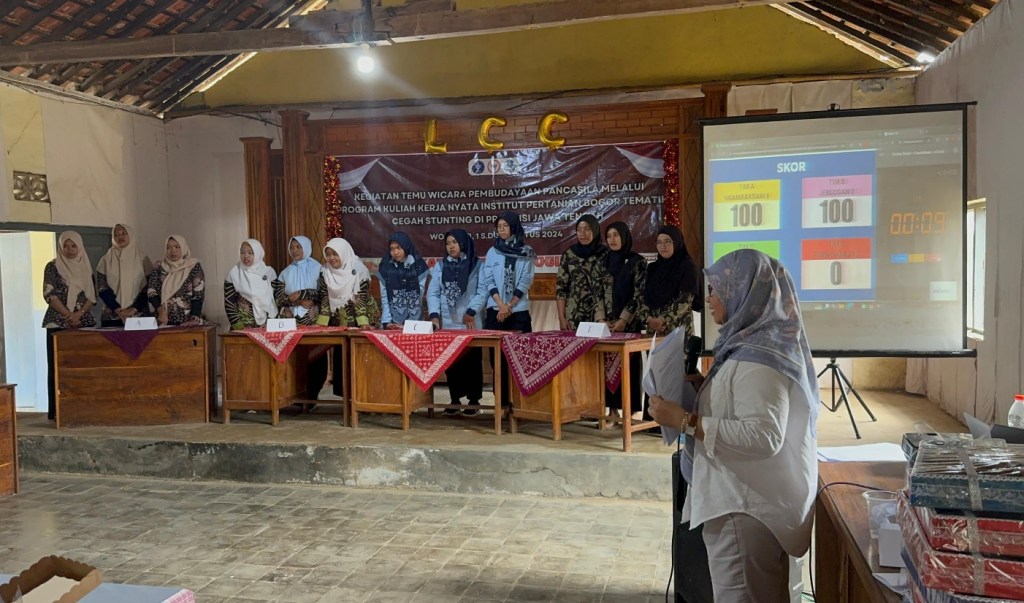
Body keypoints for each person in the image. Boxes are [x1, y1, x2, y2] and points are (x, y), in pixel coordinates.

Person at [649, 249, 818, 603]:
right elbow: (742, 407)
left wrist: (684, 421)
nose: (709, 299)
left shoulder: (759, 360)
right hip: (746, 504)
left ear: (743, 292)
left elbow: (763, 436)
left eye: (716, 290)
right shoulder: (750, 344)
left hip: (745, 509)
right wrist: (702, 392)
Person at [426, 229, 487, 416]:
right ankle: (454, 400)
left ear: (463, 243)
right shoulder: (440, 266)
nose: (451, 246)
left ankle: (474, 401)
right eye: (447, 243)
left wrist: (471, 311)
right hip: (449, 322)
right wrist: (434, 316)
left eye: (454, 242)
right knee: (452, 363)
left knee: (472, 362)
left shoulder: (477, 265)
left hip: (470, 322)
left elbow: (482, 291)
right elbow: (433, 293)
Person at [481, 211, 535, 406]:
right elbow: (488, 279)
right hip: (496, 311)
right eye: (499, 226)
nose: (502, 229)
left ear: (514, 227)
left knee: (521, 358)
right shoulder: (492, 252)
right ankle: (502, 404)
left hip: (518, 311)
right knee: (498, 360)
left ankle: (521, 404)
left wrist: (509, 305)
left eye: (505, 226)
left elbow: (526, 280)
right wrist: (500, 305)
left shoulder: (526, 252)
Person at [314, 238, 380, 397]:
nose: (331, 258)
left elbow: (360, 299)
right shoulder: (325, 271)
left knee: (359, 358)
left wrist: (363, 323)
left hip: (361, 317)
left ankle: (363, 398)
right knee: (342, 357)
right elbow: (325, 298)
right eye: (328, 254)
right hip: (339, 321)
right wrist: (321, 323)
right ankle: (346, 398)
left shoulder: (358, 269)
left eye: (335, 254)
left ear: (343, 253)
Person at [42, 231, 97, 420]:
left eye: (74, 246)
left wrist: (78, 314)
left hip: (83, 322)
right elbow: (49, 294)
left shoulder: (85, 267)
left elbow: (92, 297)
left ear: (80, 247)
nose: (70, 250)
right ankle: (57, 411)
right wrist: (68, 315)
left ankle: (82, 408)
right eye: (65, 246)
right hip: (58, 322)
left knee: (82, 366)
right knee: (57, 367)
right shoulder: (53, 266)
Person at [601, 221, 647, 420]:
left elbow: (639, 295)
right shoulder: (603, 262)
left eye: (616, 235)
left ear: (624, 236)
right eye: (609, 236)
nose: (612, 239)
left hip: (629, 324)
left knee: (629, 367)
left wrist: (623, 320)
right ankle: (612, 411)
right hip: (607, 325)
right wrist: (601, 319)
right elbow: (597, 292)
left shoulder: (638, 262)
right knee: (608, 367)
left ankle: (630, 412)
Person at [639, 225, 702, 338]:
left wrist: (662, 320)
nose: (663, 246)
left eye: (667, 242)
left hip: (678, 329)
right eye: (659, 242)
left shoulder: (687, 267)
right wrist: (649, 319)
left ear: (676, 242)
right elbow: (641, 295)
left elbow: (685, 300)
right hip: (653, 330)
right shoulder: (652, 268)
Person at [556, 214, 609, 331]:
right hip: (574, 316)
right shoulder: (569, 254)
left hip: (601, 315)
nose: (582, 234)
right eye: (579, 230)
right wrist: (561, 318)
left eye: (587, 229)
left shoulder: (605, 253)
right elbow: (561, 289)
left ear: (595, 230)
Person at [95, 224, 153, 327]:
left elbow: (150, 286)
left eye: (123, 233)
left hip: (138, 315)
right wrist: (117, 309)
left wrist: (133, 309)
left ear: (130, 235)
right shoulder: (106, 260)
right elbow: (102, 288)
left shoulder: (142, 258)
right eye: (116, 235)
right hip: (112, 315)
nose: (120, 237)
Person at [147, 234, 205, 326]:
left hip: (188, 322)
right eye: (168, 247)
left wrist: (194, 318)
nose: (173, 250)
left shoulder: (193, 266)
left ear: (183, 247)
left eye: (177, 247)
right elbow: (151, 292)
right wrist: (160, 310)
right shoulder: (159, 267)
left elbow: (198, 295)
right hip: (163, 321)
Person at [378, 232, 428, 329]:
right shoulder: (385, 267)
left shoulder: (419, 266)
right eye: (392, 249)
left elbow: (418, 295)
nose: (395, 252)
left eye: (398, 248)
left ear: (406, 246)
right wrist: (386, 322)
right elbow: (385, 298)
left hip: (415, 322)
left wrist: (409, 325)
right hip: (393, 322)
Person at [224, 239, 278, 330]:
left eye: (250, 253)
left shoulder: (269, 273)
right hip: (243, 326)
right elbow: (229, 302)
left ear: (258, 253)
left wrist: (271, 323)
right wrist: (238, 325)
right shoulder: (234, 273)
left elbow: (276, 299)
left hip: (267, 325)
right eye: (242, 252)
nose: (246, 256)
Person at [274, 235, 321, 326]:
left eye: (298, 247)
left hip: (313, 319)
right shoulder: (285, 273)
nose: (294, 250)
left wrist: (300, 294)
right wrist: (298, 302)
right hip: (290, 320)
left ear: (306, 247)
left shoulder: (318, 269)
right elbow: (278, 300)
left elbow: (324, 295)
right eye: (291, 247)